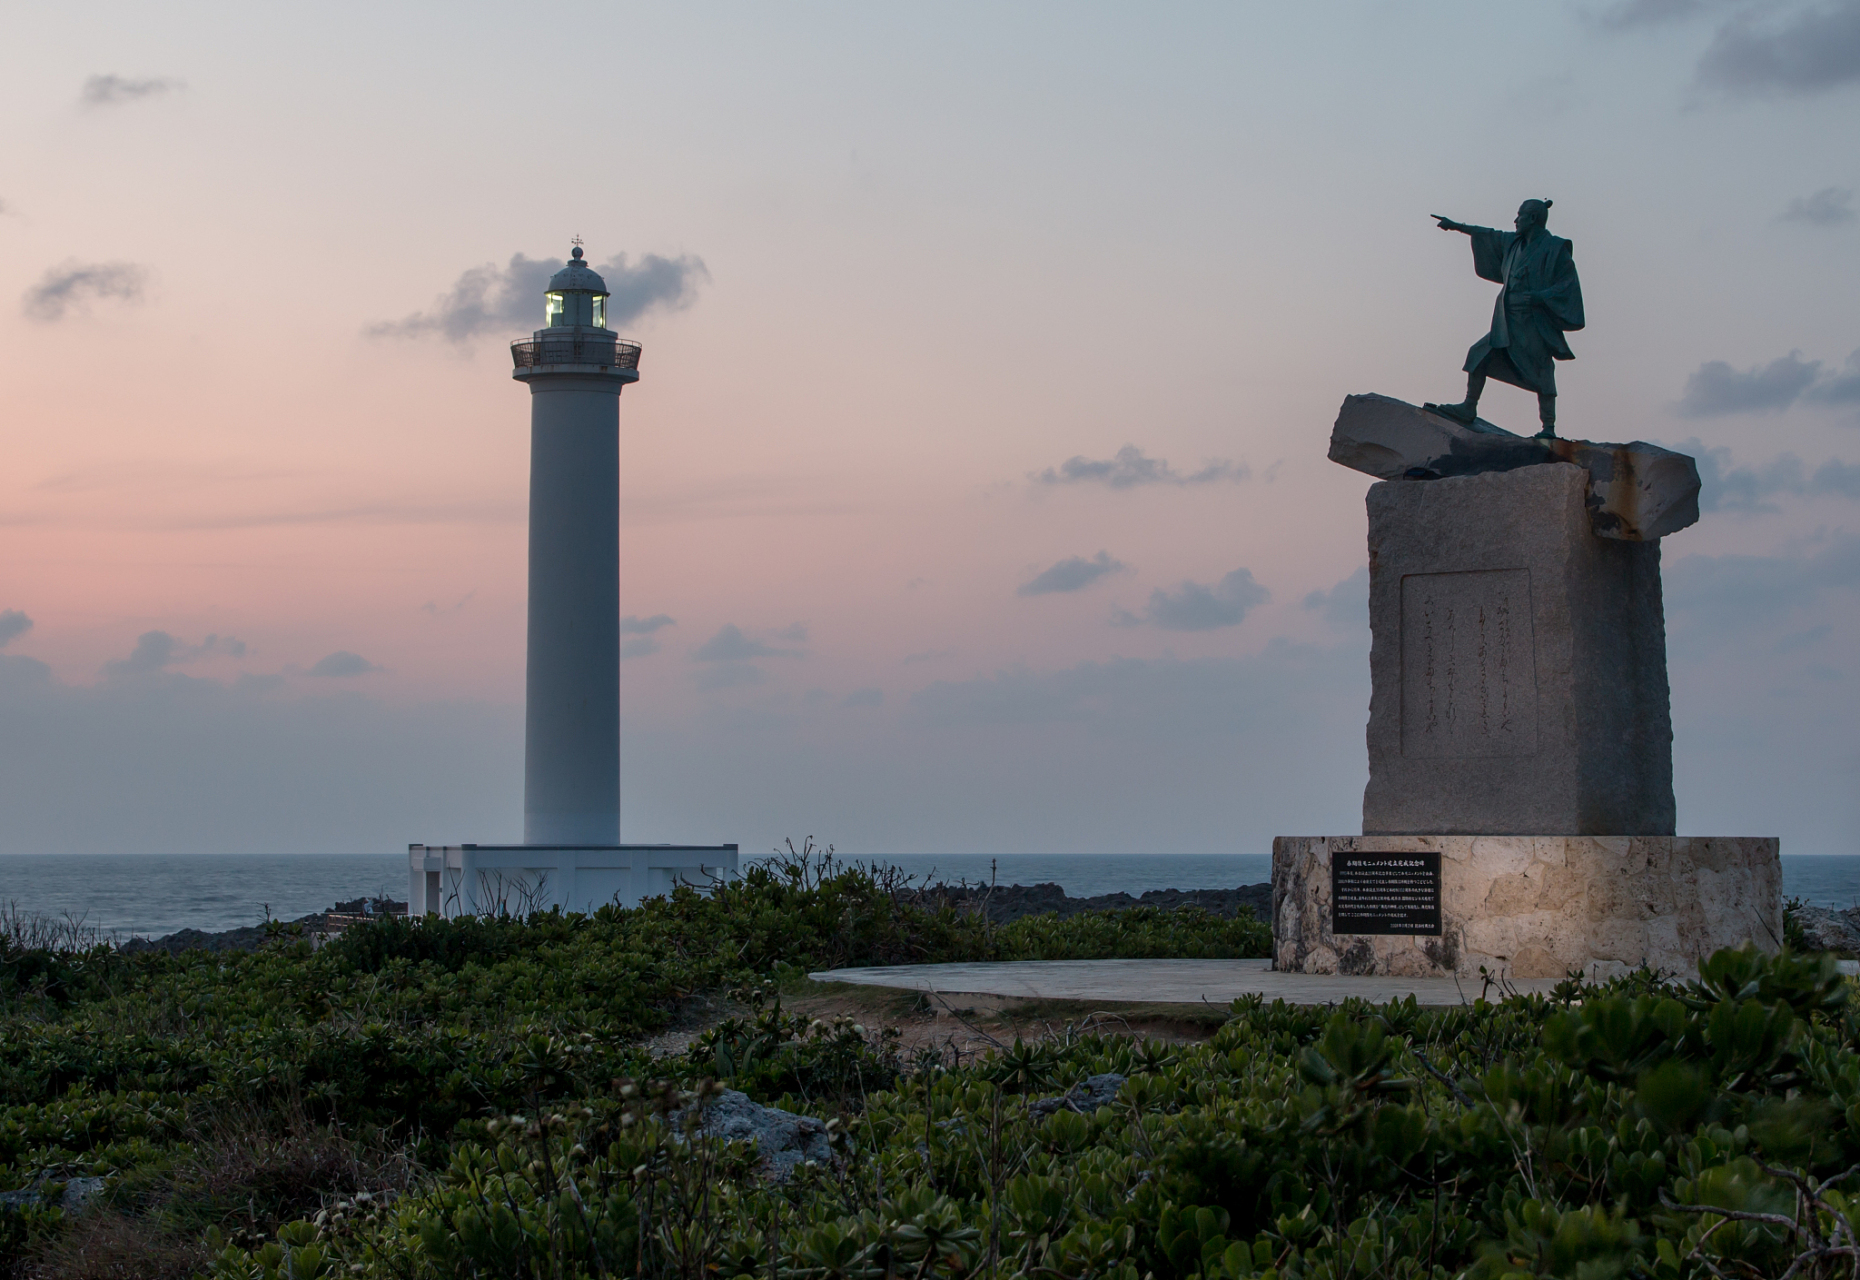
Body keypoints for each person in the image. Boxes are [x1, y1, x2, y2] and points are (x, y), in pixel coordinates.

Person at [1425, 199, 1584, 440]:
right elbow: (1488, 234)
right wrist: (1455, 225)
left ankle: (1548, 427)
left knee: (1542, 369)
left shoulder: (1554, 249)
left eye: (1519, 216)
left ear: (1532, 218)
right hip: (1507, 319)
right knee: (1479, 353)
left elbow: (1567, 285)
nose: (1515, 220)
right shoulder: (1514, 243)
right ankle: (1469, 406)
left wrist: (1541, 297)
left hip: (1533, 320)